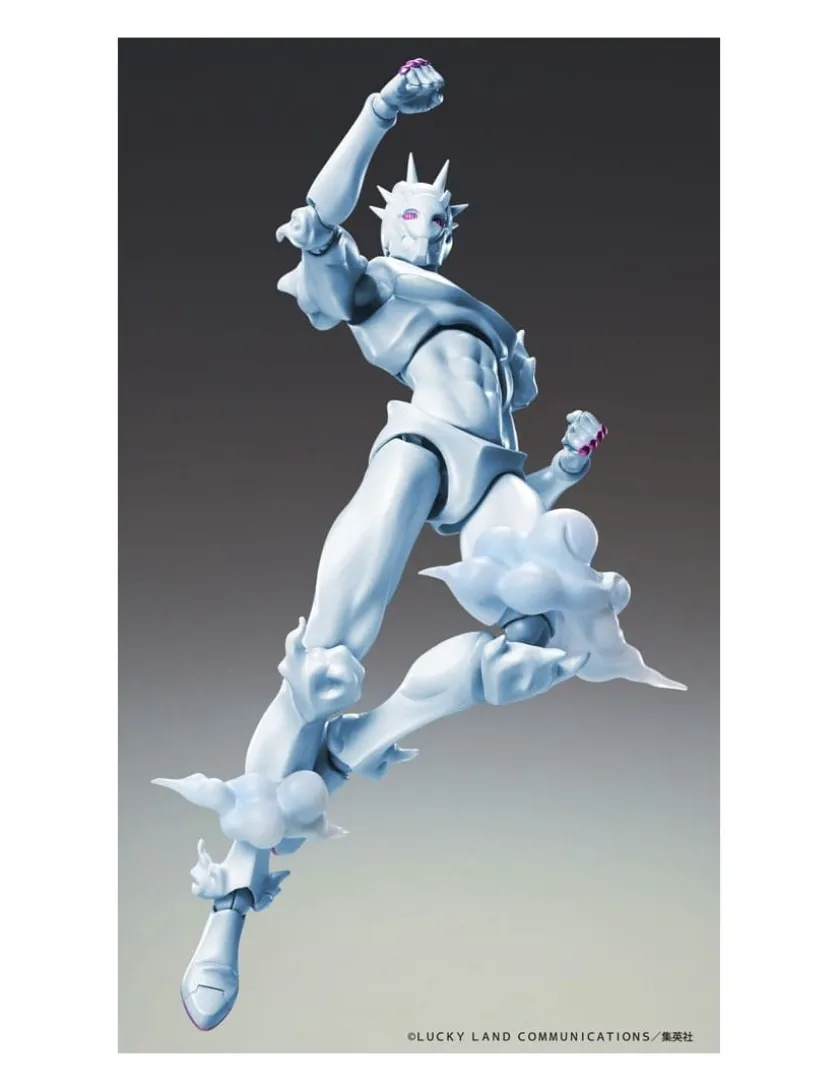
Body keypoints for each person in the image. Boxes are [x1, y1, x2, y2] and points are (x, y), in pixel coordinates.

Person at [155, 58, 683, 1031]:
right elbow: (319, 222)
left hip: (492, 482)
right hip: (416, 453)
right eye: (410, 215)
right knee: (322, 664)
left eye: (440, 221)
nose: (426, 229)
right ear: (389, 222)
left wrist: (563, 467)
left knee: (548, 630)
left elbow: (507, 476)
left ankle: (363, 741)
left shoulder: (492, 332)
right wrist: (380, 111)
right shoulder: (377, 283)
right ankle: (230, 903)